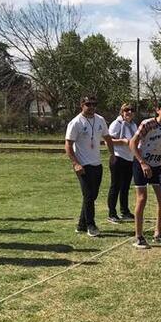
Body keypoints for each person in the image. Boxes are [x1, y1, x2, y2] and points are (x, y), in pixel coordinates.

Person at [129, 97, 161, 248]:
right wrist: (142, 163)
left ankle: (158, 233)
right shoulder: (148, 124)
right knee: (142, 198)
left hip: (157, 166)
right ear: (158, 110)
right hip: (141, 163)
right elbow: (132, 143)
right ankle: (139, 237)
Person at [64, 95, 115, 237]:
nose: (91, 107)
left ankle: (81, 224)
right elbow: (68, 145)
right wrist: (76, 163)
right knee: (88, 195)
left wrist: (112, 154)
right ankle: (90, 225)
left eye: (94, 104)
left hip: (97, 163)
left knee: (93, 195)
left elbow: (107, 137)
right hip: (83, 165)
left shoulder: (100, 120)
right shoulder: (75, 123)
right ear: (82, 105)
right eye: (88, 104)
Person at [106, 103, 138, 224]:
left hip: (129, 158)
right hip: (118, 157)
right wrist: (122, 141)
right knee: (116, 186)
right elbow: (108, 141)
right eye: (126, 110)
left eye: (132, 110)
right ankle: (112, 213)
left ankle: (124, 211)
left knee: (125, 187)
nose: (129, 112)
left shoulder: (134, 125)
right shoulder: (116, 124)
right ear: (122, 112)